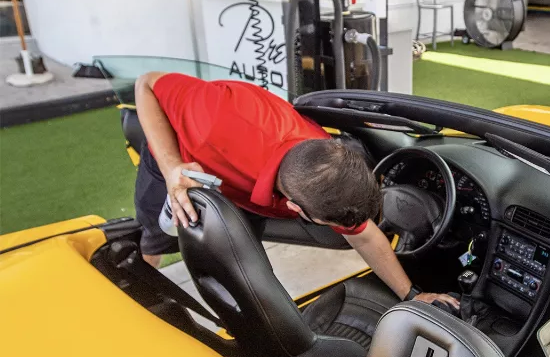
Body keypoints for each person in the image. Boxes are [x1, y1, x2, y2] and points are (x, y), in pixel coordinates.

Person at [134, 72, 459, 309]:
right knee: (156, 237)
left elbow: (363, 235)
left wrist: (412, 295)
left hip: (245, 183)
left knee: (243, 261)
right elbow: (146, 84)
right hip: (177, 157)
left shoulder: (324, 166)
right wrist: (171, 167)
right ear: (295, 209)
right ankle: (140, 295)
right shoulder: (213, 118)